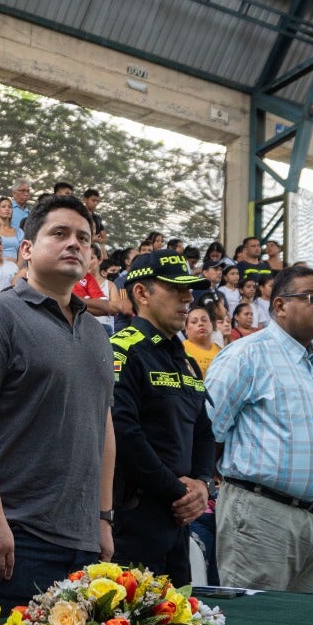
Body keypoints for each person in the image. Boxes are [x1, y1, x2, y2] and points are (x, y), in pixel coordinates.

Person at [0, 194, 114, 614]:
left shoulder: (97, 333)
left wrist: (103, 517)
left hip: (81, 542)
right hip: (12, 539)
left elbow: (103, 425)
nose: (74, 244)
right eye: (59, 234)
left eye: (83, 238)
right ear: (26, 249)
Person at [205, 265, 313, 593]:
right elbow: (208, 429)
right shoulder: (246, 355)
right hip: (263, 516)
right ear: (280, 306)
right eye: (312, 297)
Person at [108, 250, 214, 584]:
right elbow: (123, 433)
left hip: (179, 519)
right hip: (134, 519)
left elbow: (204, 431)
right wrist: (178, 491)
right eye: (175, 289)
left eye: (190, 289)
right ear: (141, 293)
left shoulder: (185, 359)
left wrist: (203, 485)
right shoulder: (121, 348)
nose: (188, 297)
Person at [179, 302, 220, 378]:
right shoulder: (181, 350)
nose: (200, 324)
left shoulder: (220, 351)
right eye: (194, 322)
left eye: (204, 320)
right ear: (186, 329)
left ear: (211, 324)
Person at [0, 195, 23, 261]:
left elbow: (22, 254)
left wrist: (17, 268)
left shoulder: (19, 232)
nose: (7, 209)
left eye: (10, 207)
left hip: (15, 268)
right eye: (3, 206)